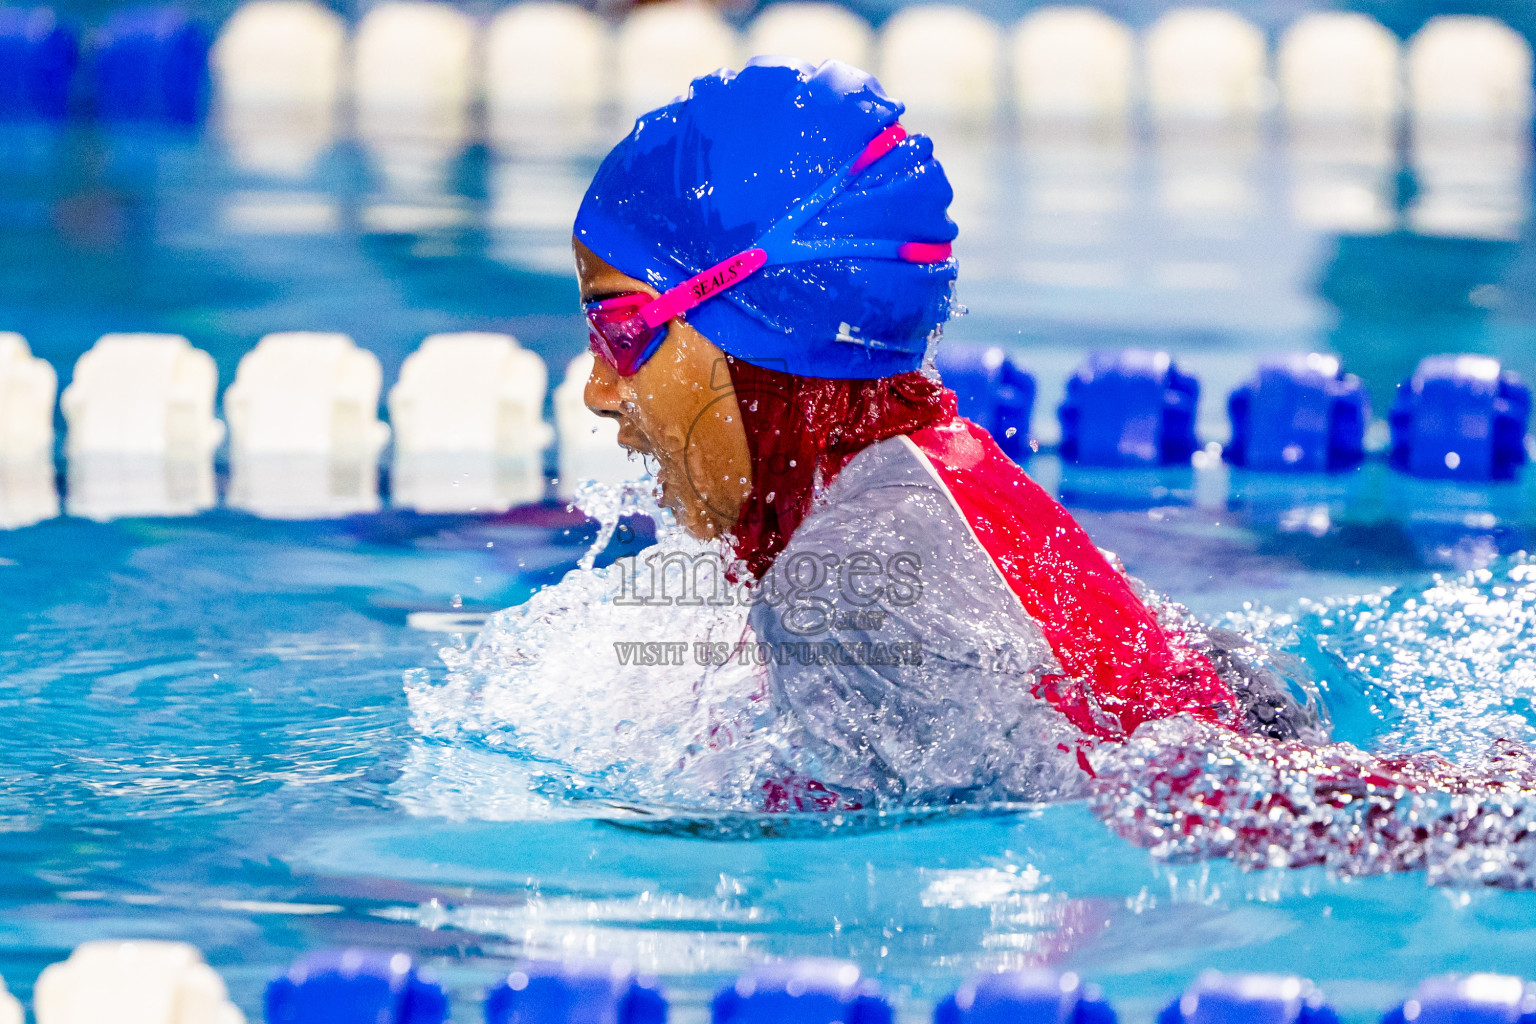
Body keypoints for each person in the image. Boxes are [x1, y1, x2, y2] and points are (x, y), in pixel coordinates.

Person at [574, 58, 1324, 808]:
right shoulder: (944, 478)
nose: (598, 391)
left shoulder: (843, 591)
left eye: (616, 329)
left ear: (758, 324)